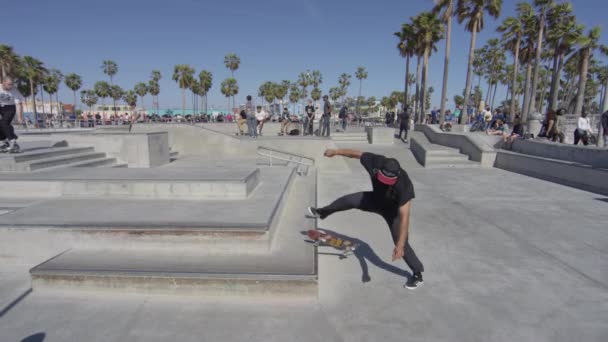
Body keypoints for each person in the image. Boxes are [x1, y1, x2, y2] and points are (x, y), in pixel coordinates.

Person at [306, 149, 424, 289]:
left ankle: (417, 274)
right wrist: (336, 152)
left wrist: (399, 245)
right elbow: (356, 154)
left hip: (393, 212)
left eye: (389, 181)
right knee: (350, 200)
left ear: (397, 176)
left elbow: (405, 219)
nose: (386, 183)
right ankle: (323, 212)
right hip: (375, 200)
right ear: (379, 169)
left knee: (402, 243)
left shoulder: (404, 185)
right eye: (383, 179)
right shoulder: (376, 161)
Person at [0, 77, 24, 153]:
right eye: (9, 85)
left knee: (4, 123)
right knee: (1, 124)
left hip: (10, 108)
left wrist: (20, 117)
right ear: (3, 82)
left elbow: (19, 105)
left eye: (12, 85)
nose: (10, 86)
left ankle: (13, 142)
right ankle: (3, 142)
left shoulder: (14, 91)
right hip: (0, 106)